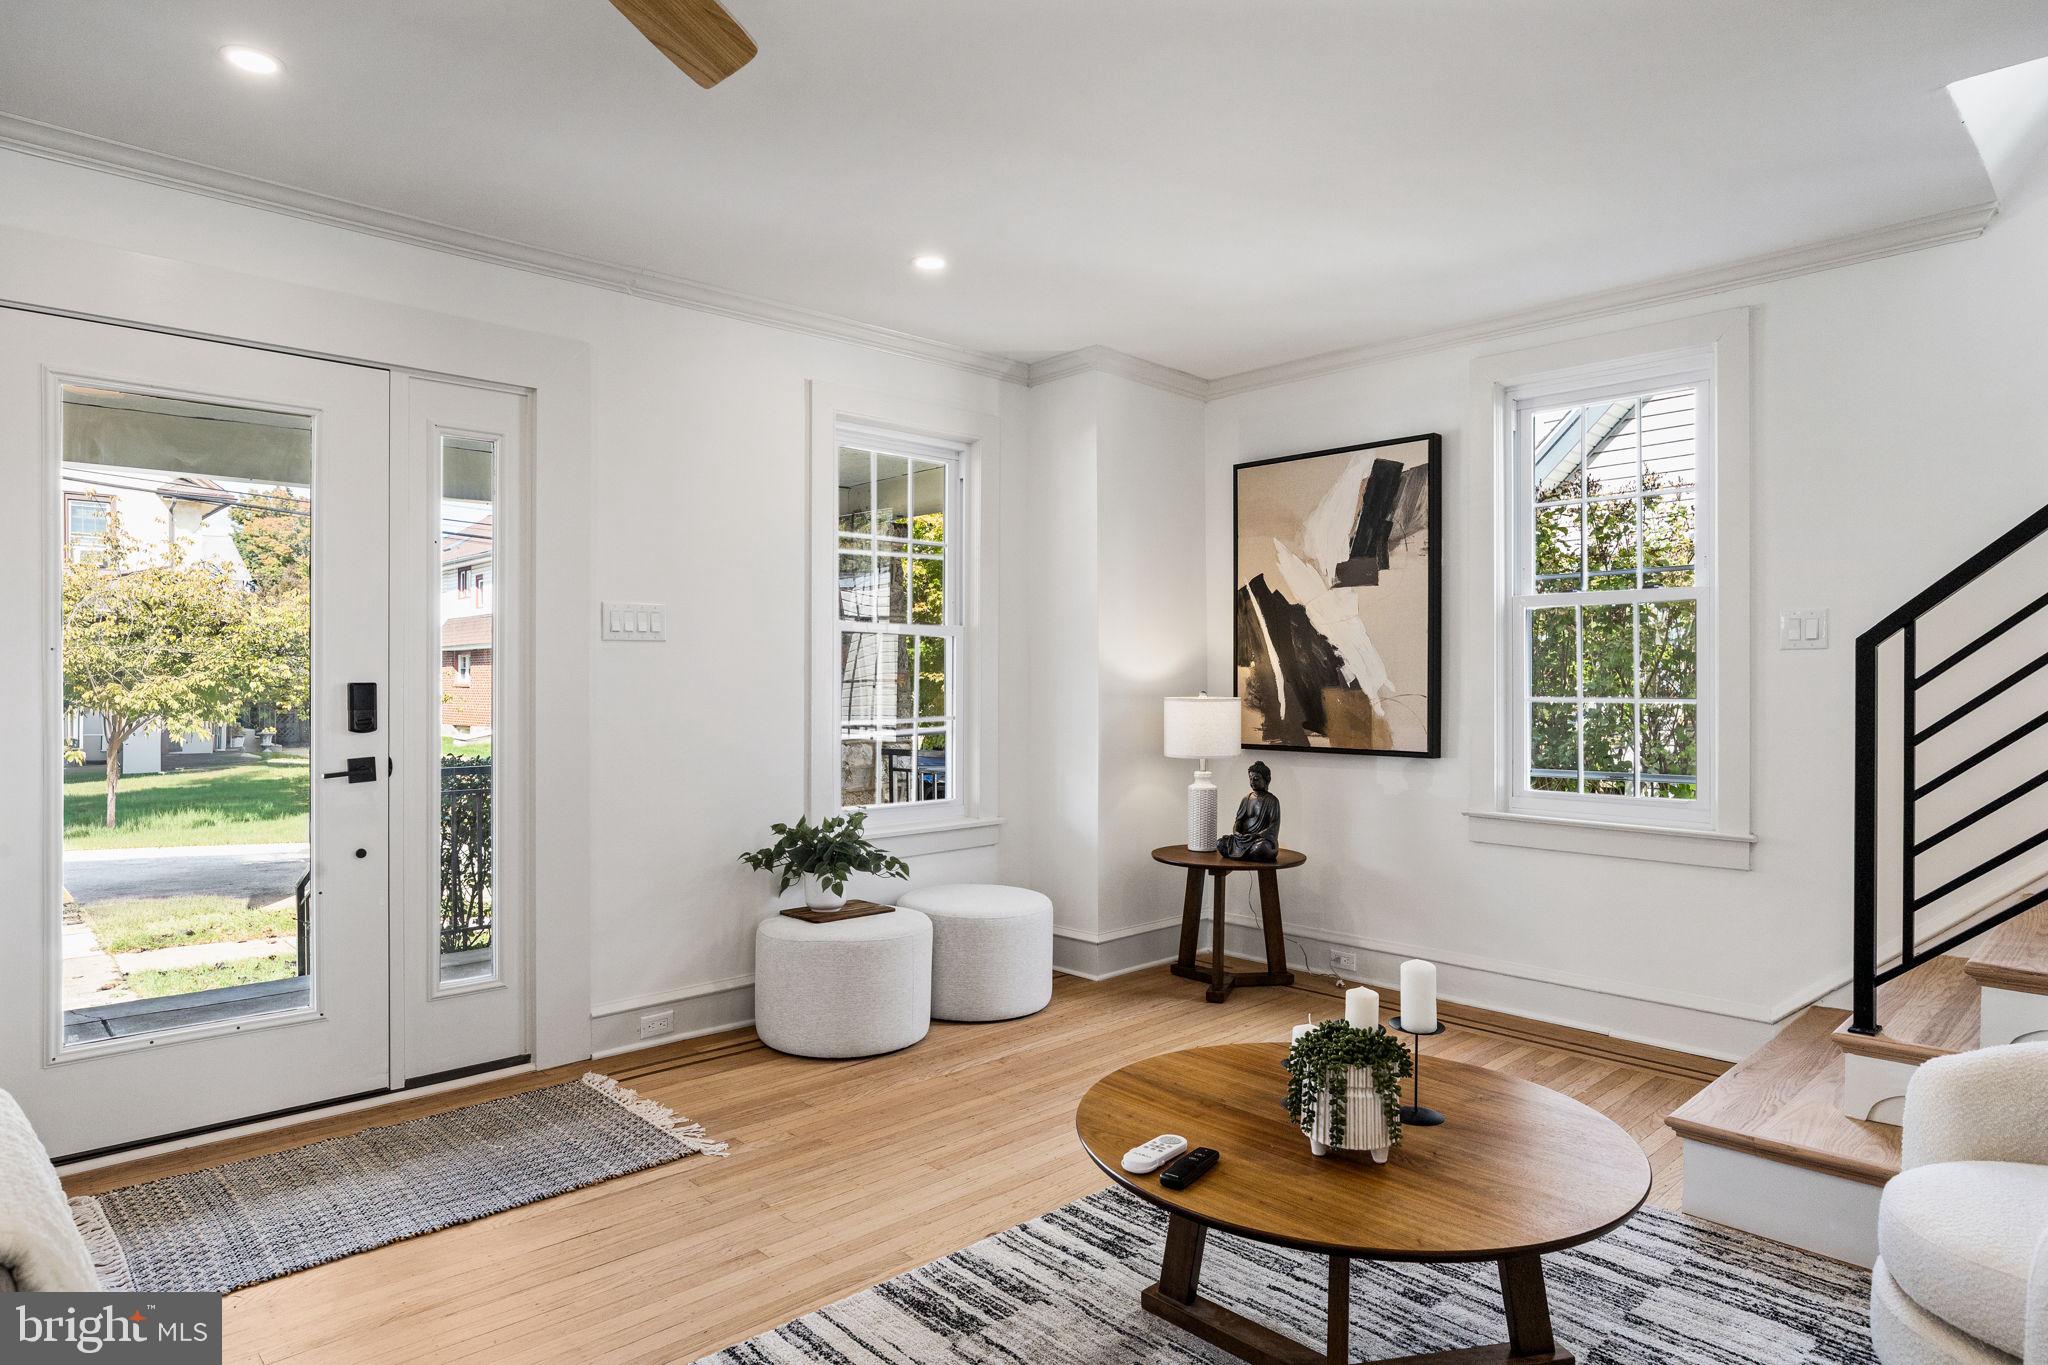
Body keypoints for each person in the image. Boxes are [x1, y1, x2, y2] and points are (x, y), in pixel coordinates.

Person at [1217, 761, 1280, 862]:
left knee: (1261, 848)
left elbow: (1274, 827)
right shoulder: (1247, 799)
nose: (1252, 782)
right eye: (1250, 779)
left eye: (1256, 779)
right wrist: (1236, 832)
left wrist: (1255, 835)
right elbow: (1238, 821)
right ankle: (1247, 853)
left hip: (1259, 840)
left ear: (1267, 780)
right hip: (1242, 839)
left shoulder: (1272, 801)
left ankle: (1250, 852)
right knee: (1220, 843)